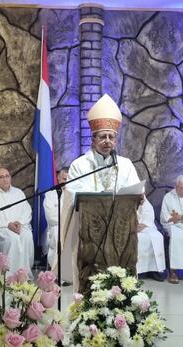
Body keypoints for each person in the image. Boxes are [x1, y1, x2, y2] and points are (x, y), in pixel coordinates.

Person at [60, 94, 142, 289]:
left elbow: (137, 193)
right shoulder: (79, 165)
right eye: (102, 137)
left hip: (120, 231)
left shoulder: (126, 164)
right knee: (90, 280)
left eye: (111, 137)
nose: (107, 141)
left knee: (120, 279)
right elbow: (72, 194)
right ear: (93, 139)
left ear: (115, 139)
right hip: (89, 233)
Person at [0, 167, 34, 272]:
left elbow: (27, 211)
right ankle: (10, 275)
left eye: (7, 176)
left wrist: (20, 222)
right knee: (12, 238)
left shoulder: (18, 193)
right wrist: (8, 225)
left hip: (19, 227)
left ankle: (24, 273)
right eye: (1, 177)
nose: (5, 179)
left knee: (27, 236)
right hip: (2, 228)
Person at [136, 197, 166, 281]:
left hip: (146, 227)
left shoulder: (146, 204)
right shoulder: (125, 201)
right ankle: (138, 271)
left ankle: (155, 270)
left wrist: (141, 226)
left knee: (157, 237)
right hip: (130, 228)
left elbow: (148, 220)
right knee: (139, 239)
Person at [44, 168, 68, 269]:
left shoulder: (74, 194)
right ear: (58, 178)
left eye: (69, 179)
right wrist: (65, 218)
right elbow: (50, 217)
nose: (66, 182)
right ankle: (57, 271)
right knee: (58, 234)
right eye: (64, 179)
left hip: (72, 225)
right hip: (56, 226)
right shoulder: (49, 195)